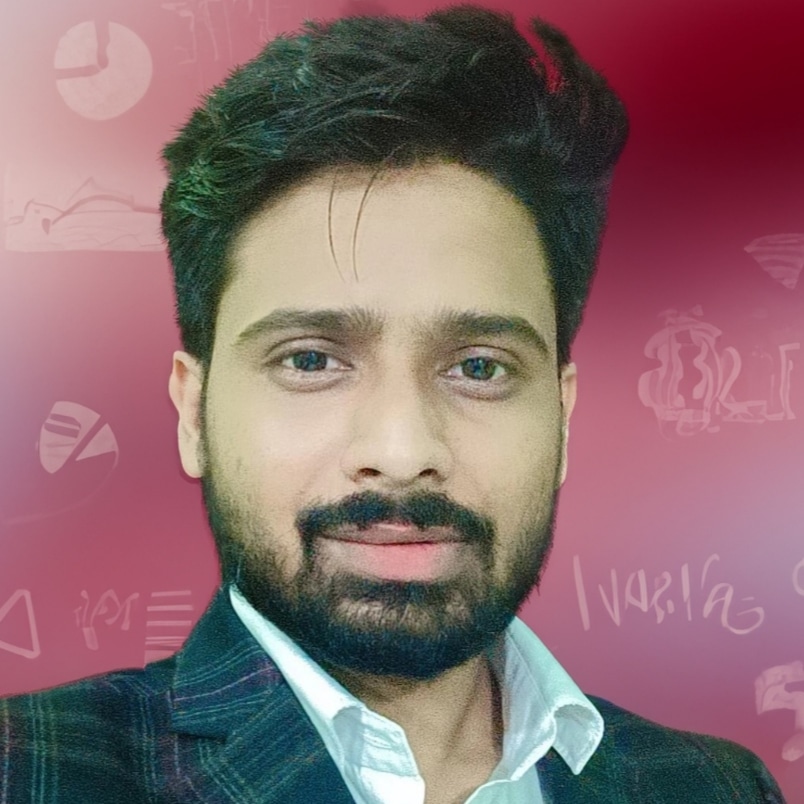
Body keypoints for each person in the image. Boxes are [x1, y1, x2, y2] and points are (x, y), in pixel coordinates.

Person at [0, 5, 785, 803]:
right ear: (193, 413)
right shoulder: (26, 770)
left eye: (478, 367)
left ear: (563, 416)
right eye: (311, 360)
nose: (403, 451)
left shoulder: (715, 787)